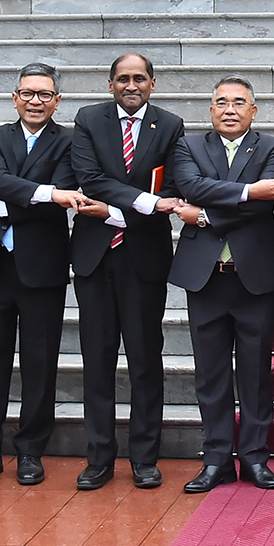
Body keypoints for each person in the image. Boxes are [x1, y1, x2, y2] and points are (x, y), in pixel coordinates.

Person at [0, 63, 80, 488]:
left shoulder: (70, 140)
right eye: (28, 93)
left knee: (39, 364)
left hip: (41, 267)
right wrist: (31, 194)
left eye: (45, 94)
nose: (35, 101)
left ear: (57, 101)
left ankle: (30, 452)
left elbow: (61, 195)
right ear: (14, 97)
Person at [68, 53, 186, 491]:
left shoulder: (170, 126)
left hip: (144, 258)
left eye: (139, 78)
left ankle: (145, 457)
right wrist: (141, 204)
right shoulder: (88, 119)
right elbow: (89, 177)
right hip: (96, 258)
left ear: (153, 83)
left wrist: (119, 213)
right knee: (96, 361)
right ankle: (99, 457)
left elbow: (172, 188)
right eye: (122, 78)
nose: (130, 85)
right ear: (110, 83)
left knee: (144, 362)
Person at [169, 77, 274, 494]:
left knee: (255, 373)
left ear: (254, 111)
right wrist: (246, 191)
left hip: (253, 276)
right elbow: (190, 187)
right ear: (210, 110)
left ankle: (255, 458)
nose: (229, 109)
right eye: (221, 102)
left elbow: (263, 204)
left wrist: (203, 216)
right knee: (211, 373)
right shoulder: (188, 147)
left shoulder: (273, 148)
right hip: (205, 278)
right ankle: (217, 459)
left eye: (239, 102)